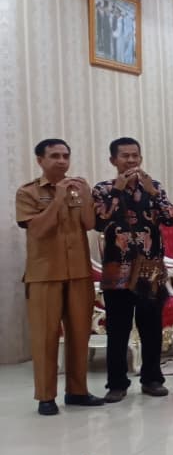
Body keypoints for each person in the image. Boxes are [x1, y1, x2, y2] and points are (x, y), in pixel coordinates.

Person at [16, 139, 102, 415]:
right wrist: (58, 199)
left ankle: (77, 391)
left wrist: (86, 196)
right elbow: (38, 230)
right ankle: (46, 396)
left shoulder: (77, 188)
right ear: (40, 160)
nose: (62, 161)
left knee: (79, 334)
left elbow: (89, 224)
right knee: (45, 337)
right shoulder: (27, 192)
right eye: (55, 156)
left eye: (66, 155)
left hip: (78, 273)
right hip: (44, 275)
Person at [91, 137, 173, 401]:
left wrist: (153, 192)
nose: (131, 160)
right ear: (113, 160)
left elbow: (170, 218)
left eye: (135, 156)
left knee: (151, 327)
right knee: (118, 329)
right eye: (125, 156)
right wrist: (118, 190)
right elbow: (98, 221)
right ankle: (117, 384)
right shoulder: (103, 189)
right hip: (117, 268)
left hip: (151, 268)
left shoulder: (154, 187)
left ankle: (152, 379)